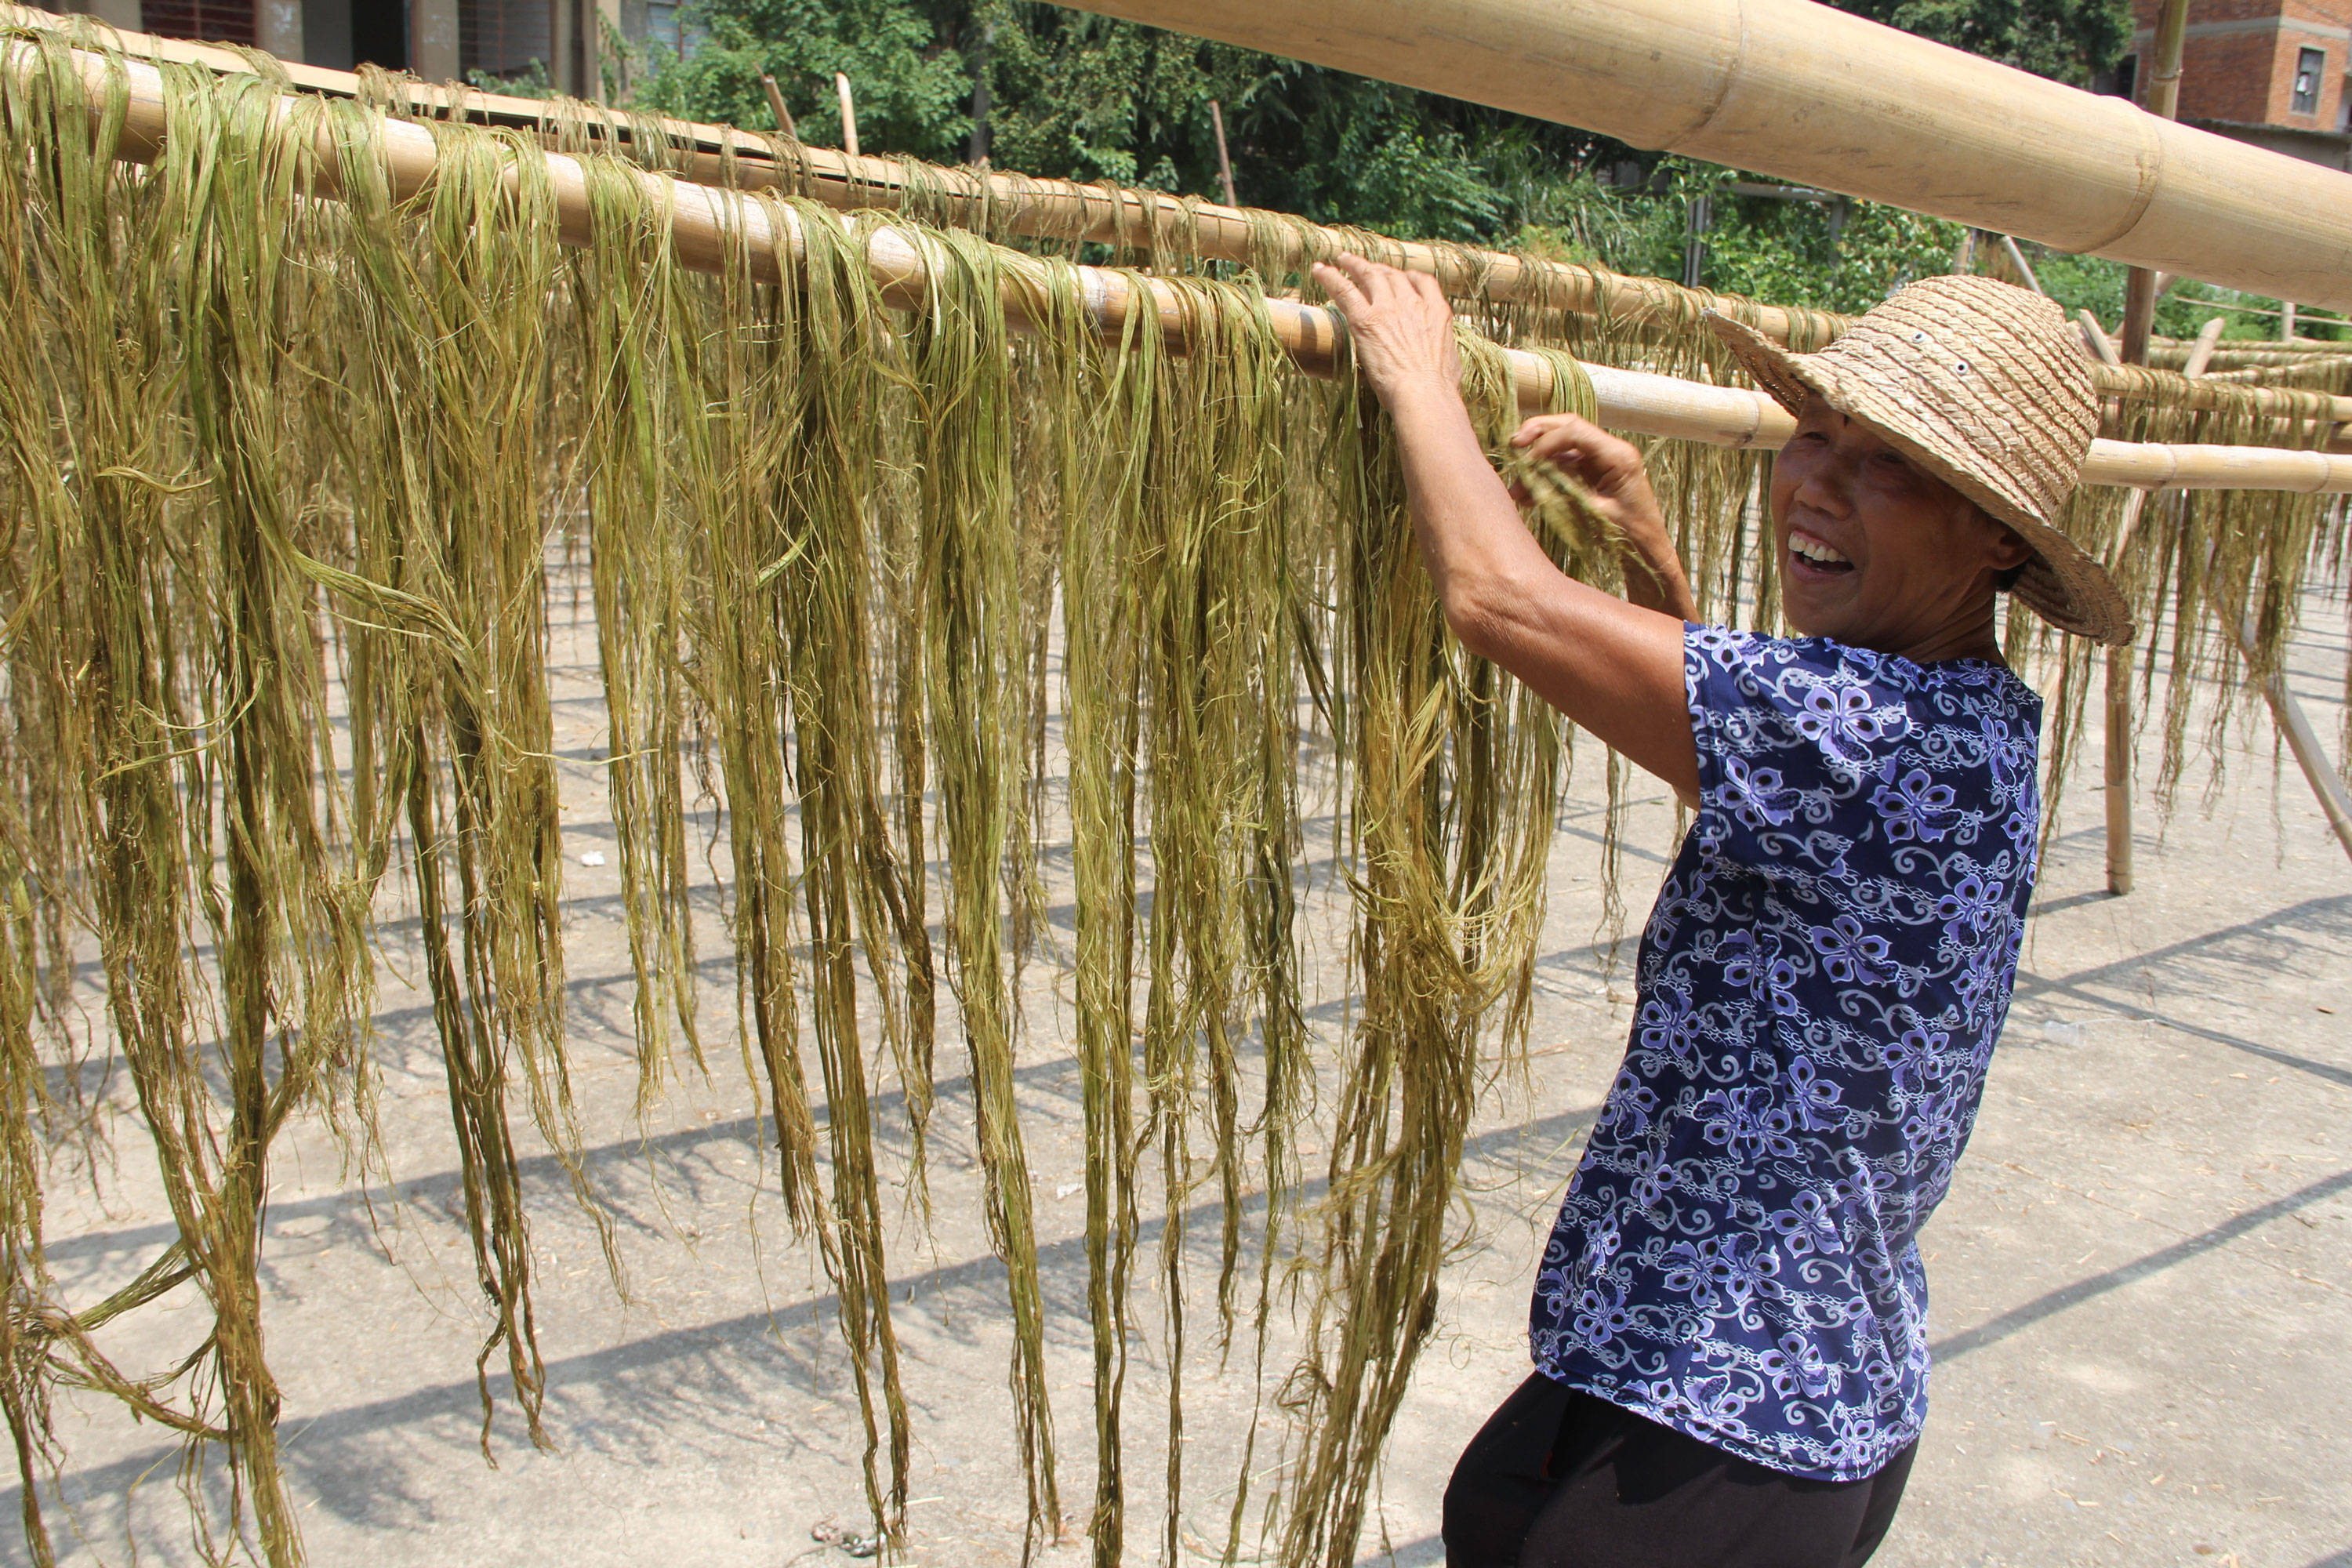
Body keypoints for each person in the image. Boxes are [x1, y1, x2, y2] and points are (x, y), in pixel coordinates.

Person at [1308, 254, 2132, 1568]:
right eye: (1817, 433)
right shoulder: (1961, 720)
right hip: (1721, 1361)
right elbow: (1761, 799)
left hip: (1739, 1406)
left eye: (1889, 463)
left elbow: (1498, 598)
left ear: (1999, 540)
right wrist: (1646, 538)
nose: (1815, 479)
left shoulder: (1883, 733)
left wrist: (1419, 378)